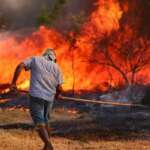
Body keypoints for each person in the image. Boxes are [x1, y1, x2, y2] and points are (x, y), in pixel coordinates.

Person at [10, 48, 64, 150]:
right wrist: (57, 95)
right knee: (46, 120)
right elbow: (60, 88)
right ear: (54, 59)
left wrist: (13, 83)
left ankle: (48, 145)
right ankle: (46, 145)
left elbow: (20, 65)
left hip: (37, 96)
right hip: (49, 98)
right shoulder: (57, 67)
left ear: (44, 55)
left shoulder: (35, 59)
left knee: (39, 122)